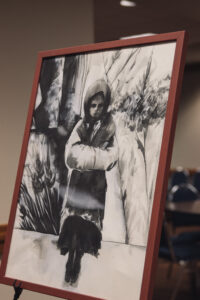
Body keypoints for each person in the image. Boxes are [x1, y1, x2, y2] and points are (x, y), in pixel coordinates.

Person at [58, 79, 120, 284]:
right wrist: (95, 156)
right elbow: (71, 153)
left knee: (86, 224)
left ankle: (79, 258)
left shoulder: (110, 127)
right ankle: (70, 261)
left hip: (96, 185)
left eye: (100, 105)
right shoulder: (81, 124)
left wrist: (89, 157)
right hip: (78, 182)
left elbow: (111, 157)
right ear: (87, 105)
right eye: (93, 105)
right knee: (74, 222)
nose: (96, 109)